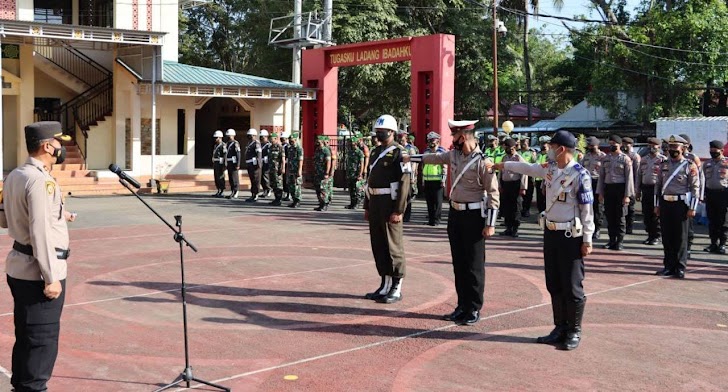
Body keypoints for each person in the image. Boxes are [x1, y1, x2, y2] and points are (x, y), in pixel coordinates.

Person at [495, 130, 594, 350]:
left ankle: (574, 331)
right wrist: (504, 166)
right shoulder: (550, 168)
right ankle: (559, 327)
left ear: (561, 149)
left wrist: (587, 239)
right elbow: (528, 168)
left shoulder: (580, 174)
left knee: (572, 285)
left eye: (551, 147)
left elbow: (587, 210)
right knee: (554, 283)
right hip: (551, 233)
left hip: (571, 236)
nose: (547, 150)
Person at [0, 121, 77, 390]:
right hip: (38, 272)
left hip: (19, 268)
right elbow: (40, 232)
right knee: (42, 343)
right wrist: (51, 277)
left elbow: (5, 218)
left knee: (27, 337)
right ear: (47, 146)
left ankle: (20, 386)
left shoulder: (16, 174)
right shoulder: (40, 180)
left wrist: (60, 214)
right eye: (59, 143)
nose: (61, 148)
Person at [410, 119, 500, 325]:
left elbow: (493, 193)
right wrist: (409, 157)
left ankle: (474, 308)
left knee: (474, 265)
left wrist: (491, 224)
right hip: (455, 214)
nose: (452, 140)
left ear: (465, 136)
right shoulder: (454, 155)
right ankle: (461, 305)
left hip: (474, 217)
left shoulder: (482, 161)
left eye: (455, 136)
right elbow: (432, 158)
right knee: (458, 263)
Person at [363, 114, 412, 304]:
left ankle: (396, 287)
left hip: (389, 203)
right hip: (375, 202)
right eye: (378, 132)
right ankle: (384, 284)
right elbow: (370, 181)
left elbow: (405, 182)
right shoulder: (375, 152)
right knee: (379, 245)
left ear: (392, 132)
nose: (379, 135)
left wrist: (399, 210)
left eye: (383, 132)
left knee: (393, 247)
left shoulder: (401, 153)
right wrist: (367, 206)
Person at [655, 135, 700, 278]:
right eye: (670, 147)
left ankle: (680, 267)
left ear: (683, 148)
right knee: (667, 237)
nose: (672, 149)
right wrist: (657, 205)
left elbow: (695, 188)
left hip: (681, 205)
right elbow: (658, 187)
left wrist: (692, 208)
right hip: (665, 203)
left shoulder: (689, 165)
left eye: (675, 147)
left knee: (681, 237)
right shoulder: (663, 164)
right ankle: (668, 266)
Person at [597, 135, 634, 250]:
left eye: (615, 144)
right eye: (611, 144)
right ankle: (611, 240)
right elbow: (601, 177)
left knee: (620, 217)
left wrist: (627, 195)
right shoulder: (606, 158)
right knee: (610, 216)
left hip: (621, 189)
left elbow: (629, 178)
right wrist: (600, 192)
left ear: (620, 145)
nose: (612, 146)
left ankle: (620, 241)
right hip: (609, 189)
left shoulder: (625, 159)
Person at [636, 138, 666, 245]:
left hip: (657, 190)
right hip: (646, 188)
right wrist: (638, 190)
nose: (651, 148)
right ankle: (650, 235)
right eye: (650, 145)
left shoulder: (663, 160)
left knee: (656, 213)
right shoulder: (644, 159)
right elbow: (639, 176)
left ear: (659, 146)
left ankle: (657, 236)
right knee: (646, 213)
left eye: (654, 146)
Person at [701, 140, 728, 254]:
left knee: (723, 221)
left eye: (715, 150)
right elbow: (703, 180)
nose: (712, 152)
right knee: (712, 220)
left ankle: (723, 244)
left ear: (721, 151)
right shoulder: (707, 164)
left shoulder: (727, 163)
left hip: (724, 194)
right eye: (711, 150)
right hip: (710, 194)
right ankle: (713, 243)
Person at [499, 138, 528, 237]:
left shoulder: (518, 158)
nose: (506, 149)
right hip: (506, 185)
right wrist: (500, 185)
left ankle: (515, 229)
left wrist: (523, 188)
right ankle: (508, 228)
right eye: (505, 147)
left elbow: (524, 173)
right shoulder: (504, 158)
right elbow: (501, 172)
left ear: (513, 147)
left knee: (516, 208)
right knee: (507, 207)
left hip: (515, 185)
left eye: (507, 147)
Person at [679, 134, 701, 257]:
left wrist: (698, 197)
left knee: (688, 224)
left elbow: (698, 179)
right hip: (677, 196)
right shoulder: (671, 158)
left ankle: (688, 247)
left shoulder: (693, 158)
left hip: (688, 196)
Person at [580, 136, 605, 240]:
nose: (590, 147)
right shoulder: (586, 156)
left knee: (597, 207)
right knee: (586, 205)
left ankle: (597, 228)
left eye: (592, 146)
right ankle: (586, 227)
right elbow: (581, 169)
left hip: (597, 182)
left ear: (597, 145)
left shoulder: (603, 157)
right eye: (589, 145)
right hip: (587, 182)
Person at [421, 132, 448, 226]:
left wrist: (443, 180)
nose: (430, 142)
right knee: (429, 201)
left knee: (437, 202)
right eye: (429, 140)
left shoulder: (442, 152)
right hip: (428, 180)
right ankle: (431, 220)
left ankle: (436, 220)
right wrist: (423, 180)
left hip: (438, 180)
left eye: (432, 140)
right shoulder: (426, 151)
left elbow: (445, 167)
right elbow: (423, 166)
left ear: (437, 141)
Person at [397, 130, 419, 222]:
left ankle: (407, 216)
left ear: (405, 138)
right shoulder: (396, 148)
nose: (400, 140)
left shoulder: (410, 148)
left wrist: (412, 176)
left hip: (408, 174)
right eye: (399, 138)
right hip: (398, 174)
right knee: (399, 195)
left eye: (401, 138)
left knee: (407, 196)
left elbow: (414, 163)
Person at [622, 137, 641, 234]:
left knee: (630, 209)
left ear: (631, 145)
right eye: (623, 144)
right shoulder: (622, 155)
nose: (624, 146)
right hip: (622, 185)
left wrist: (636, 189)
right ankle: (623, 226)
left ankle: (629, 227)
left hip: (632, 186)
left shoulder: (635, 156)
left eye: (627, 144)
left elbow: (637, 173)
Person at [313, 135, 333, 211]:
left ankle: (325, 204)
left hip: (323, 173)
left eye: (318, 141)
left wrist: (327, 173)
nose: (316, 142)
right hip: (317, 173)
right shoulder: (317, 150)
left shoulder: (326, 150)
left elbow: (328, 162)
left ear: (321, 141)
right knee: (317, 189)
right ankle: (321, 204)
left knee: (323, 189)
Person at [345, 135, 366, 209]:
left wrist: (360, 173)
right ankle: (352, 203)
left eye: (351, 143)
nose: (350, 144)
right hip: (350, 173)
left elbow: (362, 163)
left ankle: (357, 204)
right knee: (351, 189)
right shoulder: (350, 152)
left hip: (356, 173)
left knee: (357, 189)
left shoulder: (359, 152)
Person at [519, 137, 538, 217]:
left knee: (529, 194)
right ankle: (520, 210)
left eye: (525, 142)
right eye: (522, 142)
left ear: (528, 143)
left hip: (529, 176)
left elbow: (535, 163)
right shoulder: (518, 152)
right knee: (520, 194)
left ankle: (526, 210)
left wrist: (534, 156)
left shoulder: (532, 152)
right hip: (519, 175)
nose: (523, 143)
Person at [267, 132, 286, 206]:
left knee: (278, 184)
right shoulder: (270, 147)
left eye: (271, 138)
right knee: (273, 184)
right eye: (270, 138)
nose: (270, 140)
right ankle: (276, 198)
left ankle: (279, 199)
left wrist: (282, 168)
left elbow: (283, 159)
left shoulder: (280, 147)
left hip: (277, 169)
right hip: (271, 169)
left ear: (275, 138)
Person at [244, 128, 263, 202]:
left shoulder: (256, 143)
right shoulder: (249, 143)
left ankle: (256, 195)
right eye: (248, 136)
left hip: (255, 164)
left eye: (251, 136)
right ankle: (253, 194)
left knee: (256, 180)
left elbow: (259, 154)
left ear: (254, 136)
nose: (249, 137)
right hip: (250, 164)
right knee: (252, 180)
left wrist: (258, 164)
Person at [286, 132, 304, 208]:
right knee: (291, 186)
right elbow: (289, 159)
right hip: (290, 170)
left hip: (296, 170)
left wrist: (299, 170)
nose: (290, 142)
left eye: (292, 140)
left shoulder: (299, 149)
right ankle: (293, 200)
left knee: (296, 186)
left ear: (296, 140)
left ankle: (297, 201)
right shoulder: (290, 148)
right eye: (290, 140)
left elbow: (300, 160)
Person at [534, 136, 551, 213]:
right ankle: (540, 214)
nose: (543, 145)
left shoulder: (551, 155)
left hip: (547, 180)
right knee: (539, 199)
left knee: (547, 198)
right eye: (541, 143)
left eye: (545, 143)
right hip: (538, 179)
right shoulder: (538, 154)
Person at [224, 128, 241, 199]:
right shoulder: (227, 143)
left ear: (233, 135)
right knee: (230, 178)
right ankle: (232, 191)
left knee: (235, 178)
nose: (228, 137)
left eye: (229, 135)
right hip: (229, 162)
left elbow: (238, 154)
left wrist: (238, 164)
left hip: (234, 163)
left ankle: (236, 191)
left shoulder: (235, 143)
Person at [211, 130, 227, 197]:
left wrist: (224, 164)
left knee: (221, 177)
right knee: (216, 177)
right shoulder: (215, 145)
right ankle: (218, 190)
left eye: (216, 137)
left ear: (220, 137)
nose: (215, 139)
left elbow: (225, 155)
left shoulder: (223, 145)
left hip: (221, 163)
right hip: (216, 162)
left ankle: (222, 190)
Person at [260, 130, 272, 198]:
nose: (262, 138)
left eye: (263, 137)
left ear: (266, 137)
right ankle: (264, 190)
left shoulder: (269, 145)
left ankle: (268, 189)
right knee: (261, 177)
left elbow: (270, 154)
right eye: (261, 137)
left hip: (266, 163)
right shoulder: (260, 144)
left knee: (265, 176)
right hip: (261, 162)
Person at [281, 131, 291, 201]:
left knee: (286, 180)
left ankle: (288, 194)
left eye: (283, 139)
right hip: (283, 164)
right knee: (284, 180)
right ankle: (285, 193)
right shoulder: (282, 146)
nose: (282, 140)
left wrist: (284, 164)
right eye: (281, 139)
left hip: (287, 165)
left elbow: (288, 157)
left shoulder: (287, 147)